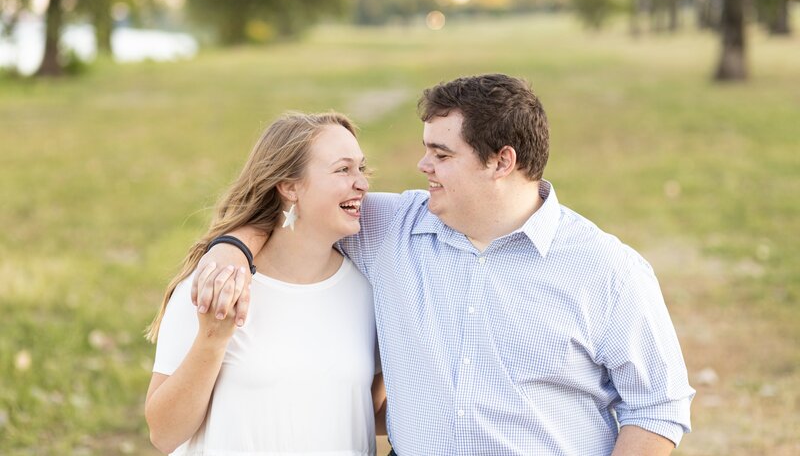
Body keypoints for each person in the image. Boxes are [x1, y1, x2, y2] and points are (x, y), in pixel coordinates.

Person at [198, 74, 695, 455]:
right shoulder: (392, 229)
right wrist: (231, 248)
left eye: (441, 153)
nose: (422, 166)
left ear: (502, 161)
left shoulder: (606, 269)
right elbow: (299, 207)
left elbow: (657, 406)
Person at [144, 112, 385, 455]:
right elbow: (163, 434)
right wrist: (212, 339)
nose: (361, 183)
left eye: (362, 168)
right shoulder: (217, 284)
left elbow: (367, 410)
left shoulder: (366, 292)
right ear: (289, 187)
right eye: (343, 169)